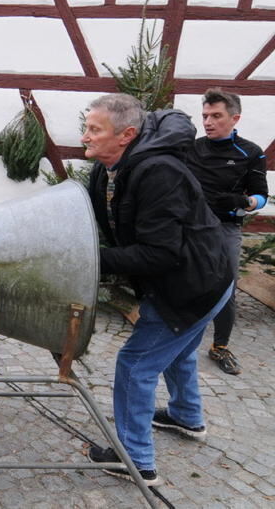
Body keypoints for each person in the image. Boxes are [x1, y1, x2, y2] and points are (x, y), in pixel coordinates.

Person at [82, 94, 233, 486]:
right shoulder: (107, 171)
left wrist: (91, 259)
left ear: (125, 135)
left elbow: (160, 254)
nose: (85, 135)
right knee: (179, 351)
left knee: (135, 365)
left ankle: (136, 461)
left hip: (193, 285)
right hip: (205, 277)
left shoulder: (158, 172)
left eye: (94, 129)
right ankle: (186, 416)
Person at [186, 89, 268, 375]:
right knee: (182, 280)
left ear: (235, 118)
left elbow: (262, 197)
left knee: (226, 288)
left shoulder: (251, 152)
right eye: (205, 115)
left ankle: (220, 346)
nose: (208, 121)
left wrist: (244, 202)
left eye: (216, 116)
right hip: (191, 226)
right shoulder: (192, 148)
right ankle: (177, 338)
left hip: (225, 227)